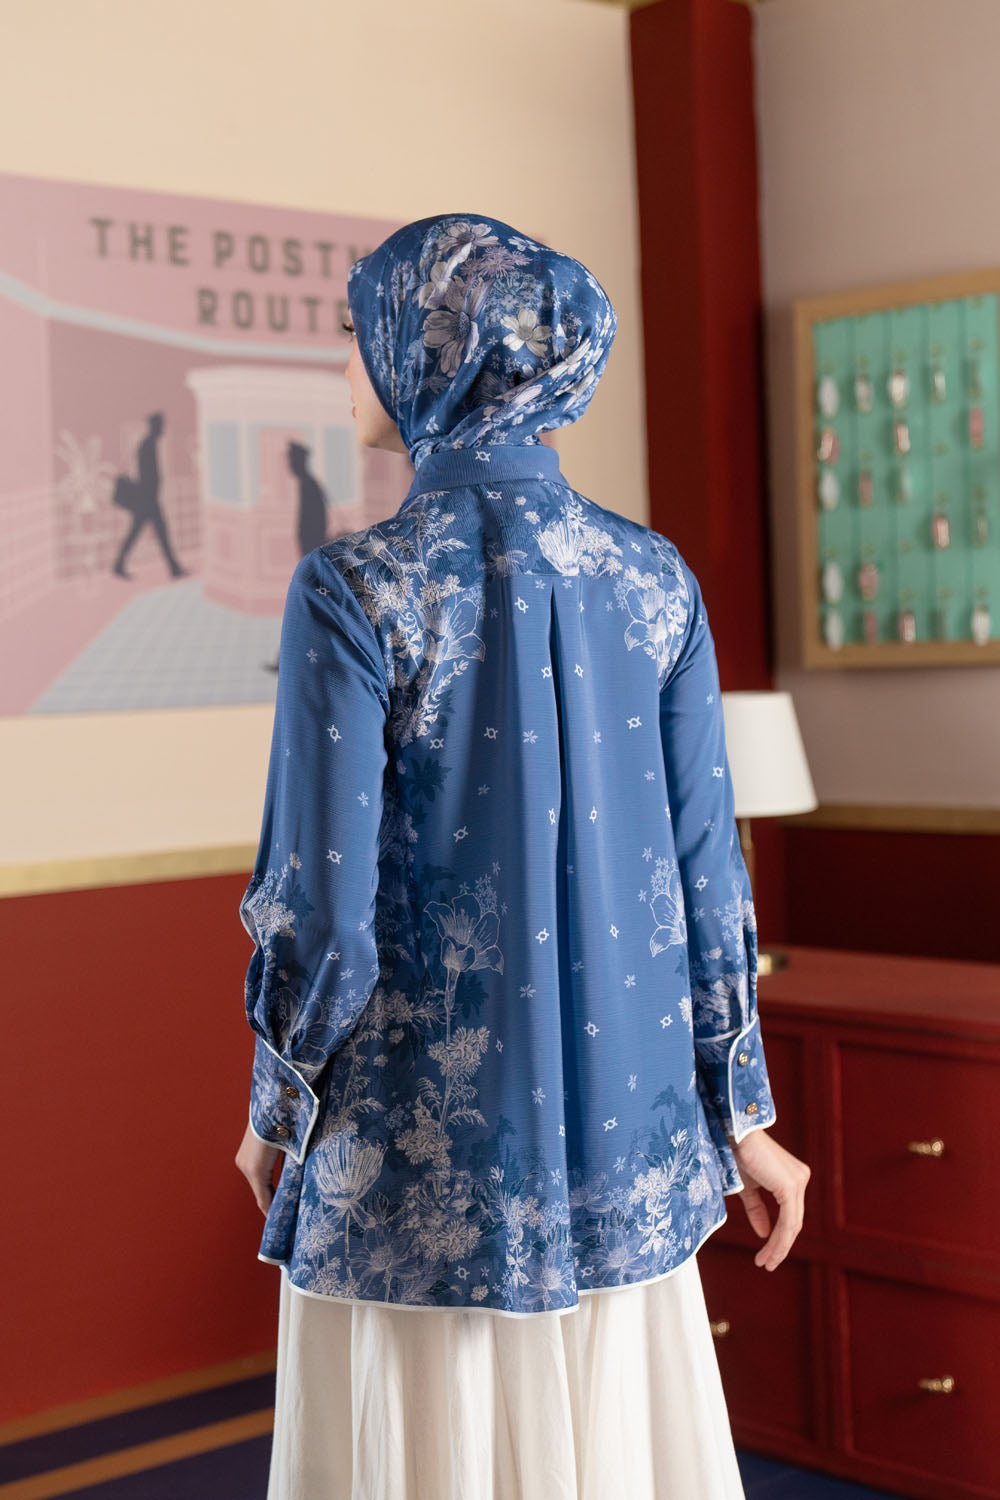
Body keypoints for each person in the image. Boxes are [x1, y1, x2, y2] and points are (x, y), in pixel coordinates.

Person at [235, 212, 810, 1500]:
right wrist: (746, 1120)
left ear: (428, 350)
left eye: (357, 332)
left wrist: (277, 1111)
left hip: (414, 1167)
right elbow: (709, 885)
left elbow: (321, 918)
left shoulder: (355, 585)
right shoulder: (656, 578)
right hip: (634, 1151)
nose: (346, 364)